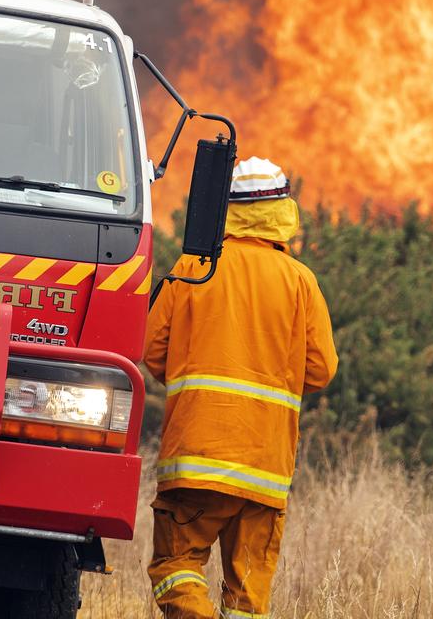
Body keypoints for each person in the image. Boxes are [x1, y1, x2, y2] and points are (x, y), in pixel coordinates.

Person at [144, 157, 338, 619]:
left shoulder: (193, 267)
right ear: (282, 211)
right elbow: (321, 369)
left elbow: (152, 350)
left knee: (177, 564)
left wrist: (197, 383)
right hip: (265, 469)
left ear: (223, 209)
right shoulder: (300, 282)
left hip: (196, 459)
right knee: (248, 600)